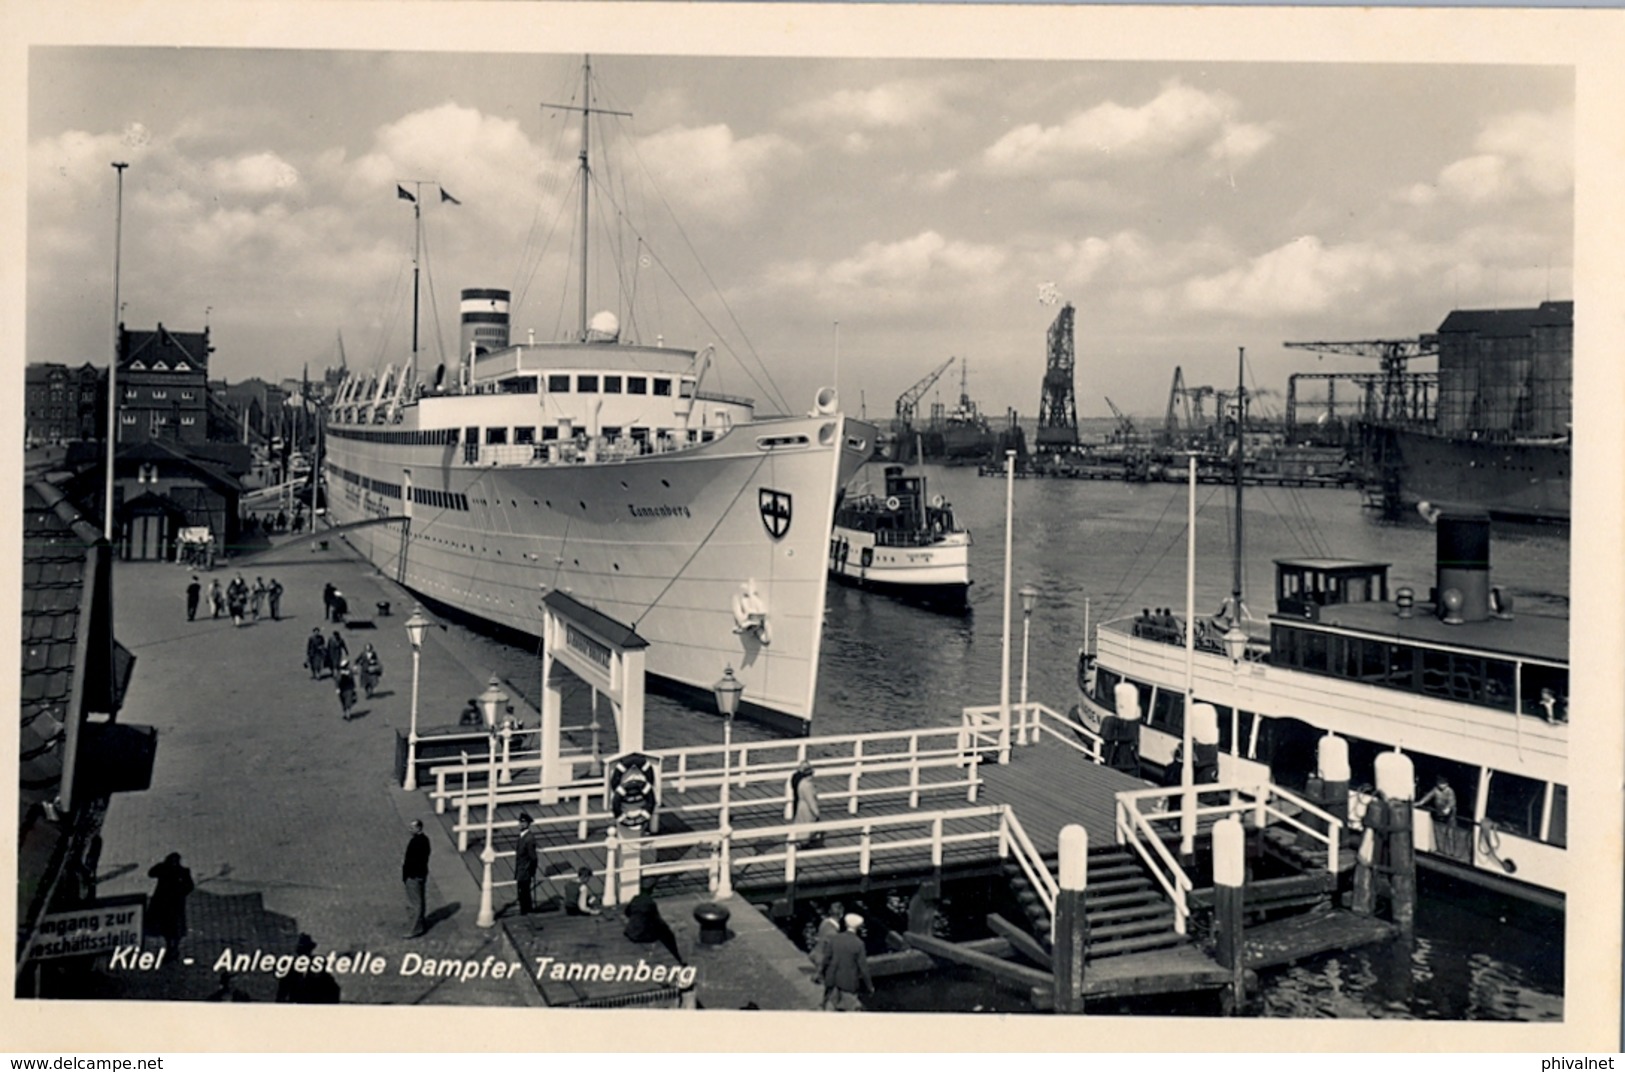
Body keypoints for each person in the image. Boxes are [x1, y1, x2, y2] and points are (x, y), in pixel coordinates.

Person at [817, 913, 873, 1011]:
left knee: (830, 1007)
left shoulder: (835, 938)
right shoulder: (859, 944)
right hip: (848, 983)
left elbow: (826, 958)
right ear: (858, 927)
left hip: (832, 980)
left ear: (846, 925)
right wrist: (870, 986)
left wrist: (820, 973)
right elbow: (863, 968)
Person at [145, 851, 194, 959]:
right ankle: (173, 949)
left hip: (166, 903)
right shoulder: (182, 871)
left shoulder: (166, 869)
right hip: (174, 904)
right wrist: (181, 894)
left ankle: (172, 949)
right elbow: (189, 887)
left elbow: (151, 873)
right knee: (173, 928)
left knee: (169, 928)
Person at [623, 889, 684, 964]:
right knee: (666, 934)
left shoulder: (635, 899)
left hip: (630, 931)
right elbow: (658, 920)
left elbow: (626, 912)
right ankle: (677, 957)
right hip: (641, 934)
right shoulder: (651, 904)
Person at [1418, 773, 1459, 858]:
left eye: (1442, 782)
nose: (1440, 784)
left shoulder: (1449, 791)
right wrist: (1418, 803)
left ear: (1447, 783)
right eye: (1439, 782)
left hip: (1450, 814)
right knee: (1439, 831)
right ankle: (1440, 849)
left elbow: (1452, 802)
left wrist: (1448, 808)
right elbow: (1427, 797)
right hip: (1439, 813)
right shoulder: (1435, 790)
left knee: (1450, 833)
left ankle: (1451, 853)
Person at [402, 820, 430, 938]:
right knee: (419, 899)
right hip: (421, 873)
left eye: (412, 827)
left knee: (415, 902)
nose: (410, 829)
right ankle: (419, 923)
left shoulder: (416, 842)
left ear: (418, 828)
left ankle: (414, 928)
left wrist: (409, 874)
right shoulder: (425, 840)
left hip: (414, 875)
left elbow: (412, 860)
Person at [791, 761, 823, 848]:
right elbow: (810, 800)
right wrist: (816, 812)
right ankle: (803, 843)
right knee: (807, 824)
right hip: (806, 808)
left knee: (801, 823)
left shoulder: (800, 782)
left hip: (801, 806)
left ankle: (800, 841)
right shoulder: (807, 786)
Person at [513, 812, 538, 916]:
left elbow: (533, 857)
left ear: (527, 824)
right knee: (522, 890)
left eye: (523, 823)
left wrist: (531, 871)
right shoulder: (522, 836)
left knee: (524, 891)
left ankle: (526, 911)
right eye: (520, 822)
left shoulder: (529, 839)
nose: (521, 824)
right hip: (521, 868)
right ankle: (525, 909)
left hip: (525, 869)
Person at [810, 901, 843, 966]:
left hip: (814, 955)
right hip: (821, 962)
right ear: (841, 914)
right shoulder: (833, 934)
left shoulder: (824, 922)